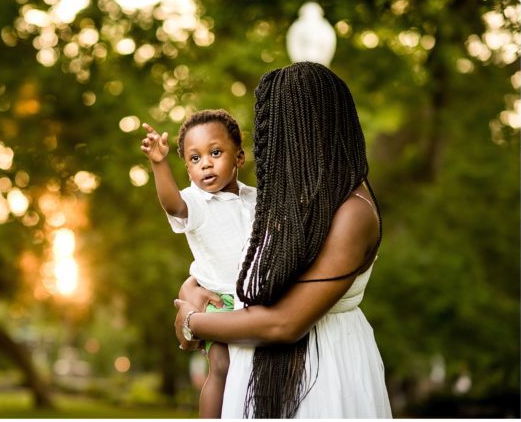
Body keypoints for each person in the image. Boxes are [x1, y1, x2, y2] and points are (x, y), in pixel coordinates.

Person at [173, 61, 391, 418]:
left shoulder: (352, 212)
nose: (270, 146)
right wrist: (191, 289)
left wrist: (192, 322)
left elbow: (285, 323)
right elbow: (238, 266)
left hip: (322, 379)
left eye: (280, 132)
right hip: (258, 374)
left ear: (317, 128)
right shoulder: (296, 200)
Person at [140, 109, 254, 418]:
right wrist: (159, 163)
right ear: (188, 170)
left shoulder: (257, 199)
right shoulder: (196, 203)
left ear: (239, 157)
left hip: (255, 303)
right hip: (218, 300)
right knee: (221, 366)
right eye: (194, 159)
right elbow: (170, 202)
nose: (205, 163)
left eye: (215, 153)